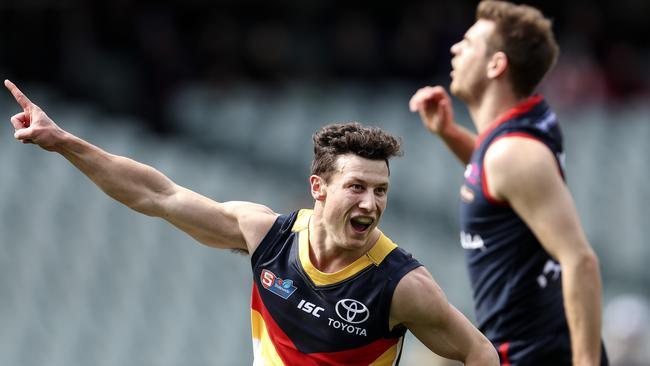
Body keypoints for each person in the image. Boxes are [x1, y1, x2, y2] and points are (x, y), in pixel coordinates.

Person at [4, 79, 498, 365]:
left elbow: (481, 355)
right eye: (357, 187)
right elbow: (158, 194)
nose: (370, 203)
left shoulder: (403, 285)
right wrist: (65, 142)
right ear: (318, 187)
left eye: (380, 190)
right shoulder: (268, 234)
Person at [409, 1, 608, 365]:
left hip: (537, 354)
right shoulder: (513, 136)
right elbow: (496, 182)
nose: (455, 48)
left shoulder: (513, 153)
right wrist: (449, 133)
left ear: (496, 65)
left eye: (468, 44)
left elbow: (581, 261)